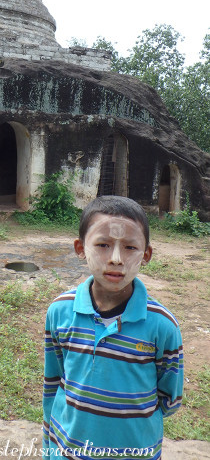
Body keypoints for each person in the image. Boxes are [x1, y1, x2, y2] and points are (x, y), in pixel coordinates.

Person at [43, 196, 183, 459]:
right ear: (80, 248)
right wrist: (50, 448)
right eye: (103, 244)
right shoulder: (60, 312)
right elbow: (54, 382)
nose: (116, 259)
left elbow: (170, 398)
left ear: (147, 254)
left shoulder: (162, 326)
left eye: (130, 247)